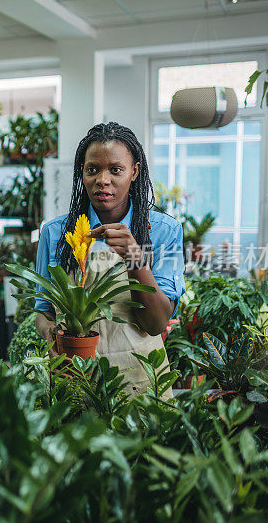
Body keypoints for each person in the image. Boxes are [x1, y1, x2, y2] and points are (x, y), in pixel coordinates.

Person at [34, 122, 185, 394]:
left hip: (138, 379)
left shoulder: (164, 231)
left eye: (116, 170)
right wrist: (50, 335)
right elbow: (43, 311)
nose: (102, 180)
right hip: (72, 375)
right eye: (92, 169)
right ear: (82, 173)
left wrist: (135, 258)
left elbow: (156, 324)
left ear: (134, 172)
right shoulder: (55, 233)